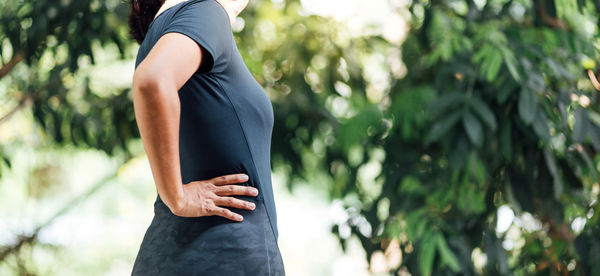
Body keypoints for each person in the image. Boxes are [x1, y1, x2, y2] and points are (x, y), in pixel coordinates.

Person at [128, 0, 286, 274]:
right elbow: (151, 81)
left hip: (172, 253)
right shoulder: (204, 11)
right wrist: (177, 197)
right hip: (224, 253)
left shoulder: (164, 30)